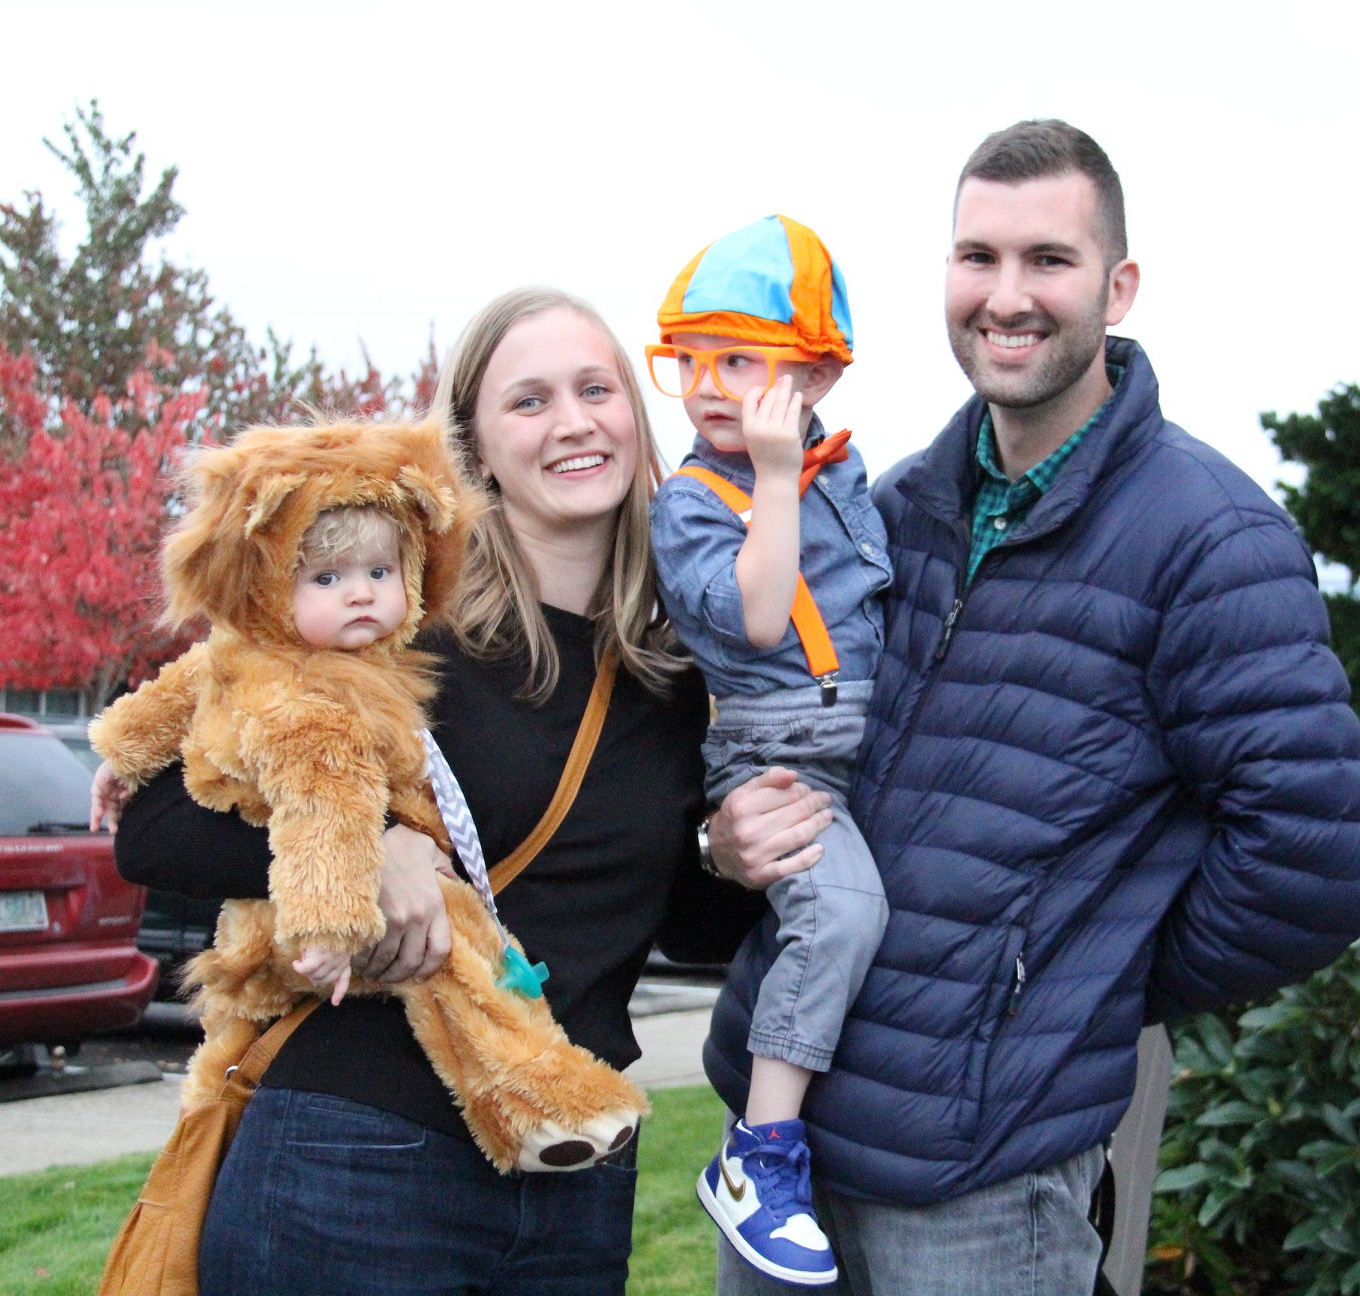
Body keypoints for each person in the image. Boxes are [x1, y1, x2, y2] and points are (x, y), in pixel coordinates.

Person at [705, 119, 1360, 1295]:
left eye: (1048, 260)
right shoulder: (893, 508)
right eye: (979, 257)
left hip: (980, 1181)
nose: (1006, 295)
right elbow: (794, 735)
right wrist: (726, 841)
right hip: (783, 1147)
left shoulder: (1212, 539)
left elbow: (1314, 865)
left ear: (1118, 288)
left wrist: (1076, 984)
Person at [100, 287, 760, 1296]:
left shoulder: (678, 667)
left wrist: (731, 857)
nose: (574, 422)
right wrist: (375, 849)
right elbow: (152, 832)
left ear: (636, 414)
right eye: (529, 401)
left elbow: (673, 928)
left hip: (574, 1173)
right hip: (358, 1154)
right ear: (473, 450)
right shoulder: (389, 625)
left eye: (597, 390)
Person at [90, 416, 644, 1175]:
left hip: (304, 939)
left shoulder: (354, 654)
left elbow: (175, 694)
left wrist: (121, 750)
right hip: (324, 959)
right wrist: (340, 915)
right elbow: (317, 822)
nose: (359, 595)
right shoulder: (313, 709)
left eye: (380, 573)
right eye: (326, 579)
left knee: (447, 942)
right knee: (455, 947)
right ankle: (533, 1096)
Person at [645, 215, 890, 1286]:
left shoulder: (844, 472)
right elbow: (754, 616)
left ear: (816, 375)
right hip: (777, 755)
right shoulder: (692, 501)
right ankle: (759, 1153)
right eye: (688, 360)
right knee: (843, 912)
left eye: (737, 361)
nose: (707, 386)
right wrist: (778, 477)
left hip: (859, 738)